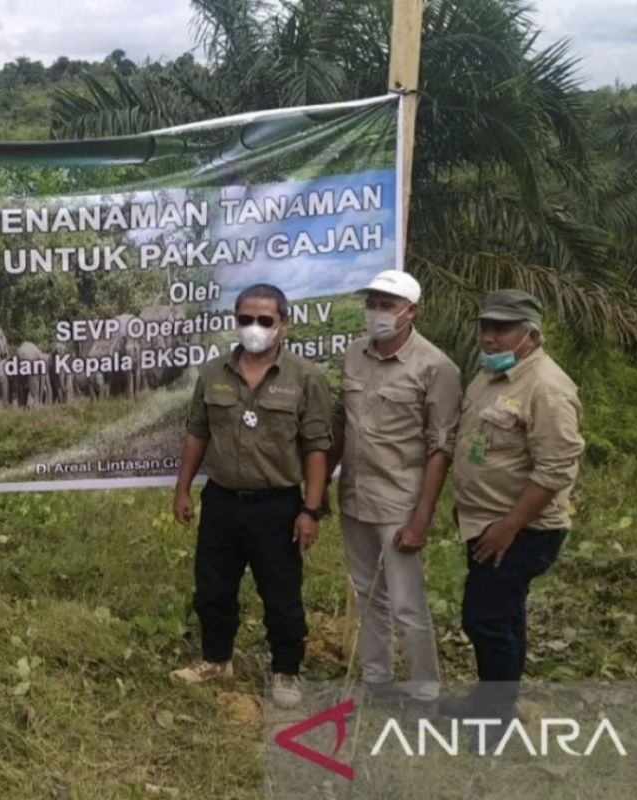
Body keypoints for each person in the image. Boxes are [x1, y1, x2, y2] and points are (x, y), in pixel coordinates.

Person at [171, 284, 332, 708]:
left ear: (283, 323)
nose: (254, 328)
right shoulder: (212, 373)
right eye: (246, 318)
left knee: (281, 594)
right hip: (222, 501)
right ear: (235, 319)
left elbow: (317, 447)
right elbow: (196, 434)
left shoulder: (306, 377)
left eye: (264, 320)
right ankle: (216, 659)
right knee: (212, 588)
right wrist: (182, 489)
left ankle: (285, 670)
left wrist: (311, 510)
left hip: (277, 506)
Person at [445, 290, 584, 723]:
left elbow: (557, 469)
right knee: (503, 617)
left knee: (485, 620)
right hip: (485, 521)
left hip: (521, 530)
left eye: (501, 329)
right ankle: (495, 703)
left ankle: (494, 719)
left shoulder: (547, 388)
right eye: (485, 327)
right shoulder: (488, 376)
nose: (489, 338)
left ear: (530, 334)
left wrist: (509, 526)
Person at [330, 270, 461, 716]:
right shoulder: (353, 354)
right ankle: (377, 680)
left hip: (401, 503)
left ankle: (425, 692)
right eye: (373, 302)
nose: (378, 312)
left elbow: (440, 447)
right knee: (368, 596)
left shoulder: (435, 367)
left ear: (410, 312)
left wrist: (421, 518)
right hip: (354, 497)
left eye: (388, 304)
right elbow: (339, 427)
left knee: (407, 603)